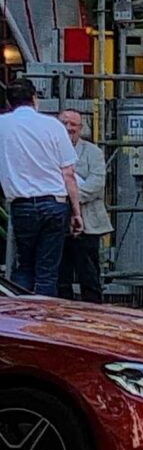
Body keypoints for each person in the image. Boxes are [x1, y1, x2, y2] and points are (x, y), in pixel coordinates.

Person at [0, 82, 80, 295]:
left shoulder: (2, 125)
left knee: (24, 265)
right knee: (47, 271)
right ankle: (44, 320)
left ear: (9, 102)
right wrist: (76, 212)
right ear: (35, 99)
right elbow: (68, 174)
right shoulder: (53, 126)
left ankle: (19, 316)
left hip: (21, 204)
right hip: (54, 203)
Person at [59, 107, 106, 302]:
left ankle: (95, 314)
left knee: (89, 274)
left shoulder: (93, 152)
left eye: (74, 125)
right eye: (65, 124)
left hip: (88, 222)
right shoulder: (50, 150)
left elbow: (97, 183)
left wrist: (70, 197)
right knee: (60, 275)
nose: (69, 128)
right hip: (58, 220)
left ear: (81, 128)